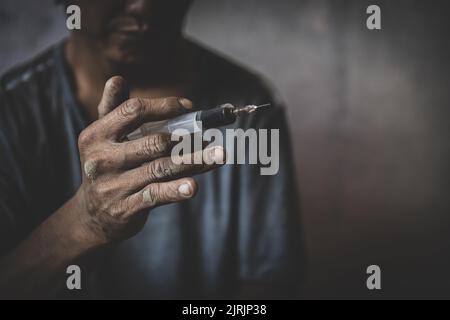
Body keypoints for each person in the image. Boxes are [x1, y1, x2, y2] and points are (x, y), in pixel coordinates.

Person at [0, 0, 303, 299]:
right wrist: (85, 223)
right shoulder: (10, 114)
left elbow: (269, 286)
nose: (143, 9)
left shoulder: (252, 109)